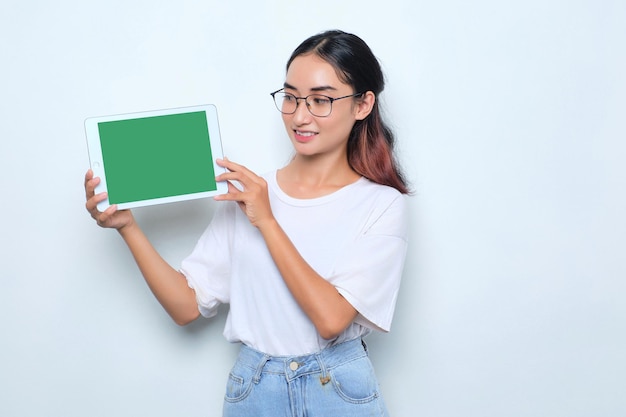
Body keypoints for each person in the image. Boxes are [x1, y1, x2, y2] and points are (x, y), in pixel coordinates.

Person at [84, 29, 410, 417]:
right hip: (256, 390)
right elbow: (186, 306)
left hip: (338, 390)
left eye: (320, 100)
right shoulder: (250, 194)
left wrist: (267, 221)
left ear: (363, 105)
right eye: (290, 97)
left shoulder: (381, 204)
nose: (300, 116)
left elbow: (331, 319)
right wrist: (128, 227)